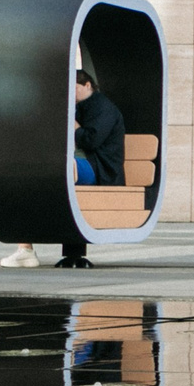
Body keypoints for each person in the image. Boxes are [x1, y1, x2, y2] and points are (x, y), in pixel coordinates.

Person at [62, 69, 126, 269]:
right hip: (83, 163)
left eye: (74, 88)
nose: (70, 94)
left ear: (87, 85)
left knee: (62, 166)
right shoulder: (79, 107)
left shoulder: (103, 107)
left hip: (100, 168)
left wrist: (74, 126)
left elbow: (91, 140)